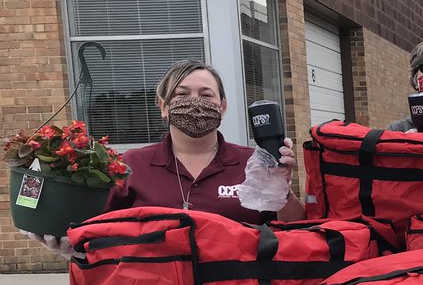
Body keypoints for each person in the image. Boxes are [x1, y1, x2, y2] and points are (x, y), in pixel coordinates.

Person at [22, 59, 305, 256]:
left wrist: (280, 189)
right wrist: (70, 247)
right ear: (164, 107)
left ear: (223, 106)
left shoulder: (253, 163)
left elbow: (297, 231)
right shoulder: (131, 165)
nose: (195, 102)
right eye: (182, 95)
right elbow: (97, 229)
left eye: (206, 95)